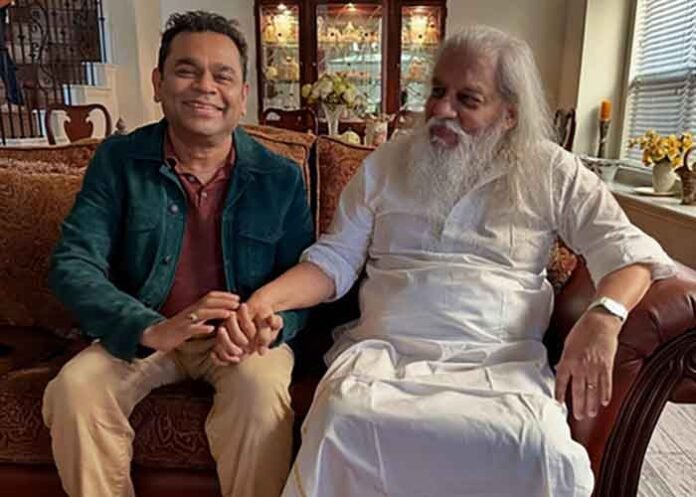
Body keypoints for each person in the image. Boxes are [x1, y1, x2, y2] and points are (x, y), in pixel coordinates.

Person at [212, 26, 676, 497]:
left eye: (467, 99)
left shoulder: (551, 170)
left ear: (510, 114)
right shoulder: (387, 163)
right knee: (343, 419)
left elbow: (629, 252)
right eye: (437, 91)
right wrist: (266, 299)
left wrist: (605, 316)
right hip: (385, 356)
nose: (440, 110)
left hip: (501, 362)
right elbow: (334, 259)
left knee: (541, 446)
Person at [42, 10, 313, 497]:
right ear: (158, 83)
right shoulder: (118, 161)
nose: (205, 86)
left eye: (222, 76)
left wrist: (273, 325)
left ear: (242, 96)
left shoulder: (280, 177)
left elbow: (305, 281)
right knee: (75, 390)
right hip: (146, 331)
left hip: (237, 341)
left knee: (259, 393)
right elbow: (73, 263)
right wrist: (148, 328)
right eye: (187, 70)